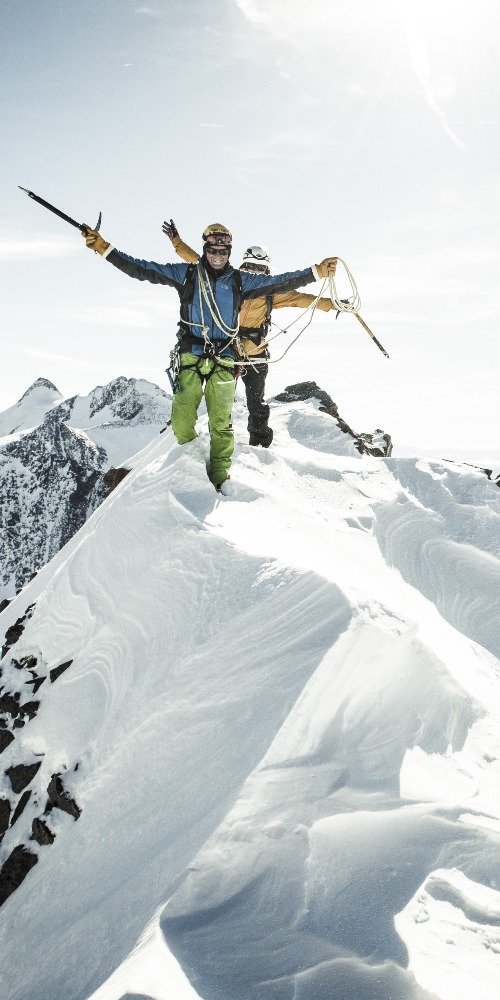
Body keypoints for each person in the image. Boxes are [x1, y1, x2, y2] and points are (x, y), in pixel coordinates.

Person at [82, 221, 337, 488]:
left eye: (223, 251)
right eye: (213, 250)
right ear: (206, 249)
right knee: (181, 421)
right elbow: (141, 268)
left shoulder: (241, 281)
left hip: (226, 356)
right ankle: (193, 457)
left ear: (229, 252)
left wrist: (317, 273)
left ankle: (219, 479)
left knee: (222, 423)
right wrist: (103, 247)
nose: (218, 256)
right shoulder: (188, 274)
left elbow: (282, 284)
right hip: (191, 353)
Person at [163, 221, 336, 447]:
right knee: (219, 401)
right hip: (228, 350)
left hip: (255, 353)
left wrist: (333, 304)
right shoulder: (231, 282)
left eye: (259, 268)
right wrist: (177, 242)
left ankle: (260, 445)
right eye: (249, 266)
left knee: (256, 403)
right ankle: (214, 440)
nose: (253, 271)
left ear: (266, 272)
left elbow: (300, 298)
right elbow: (196, 260)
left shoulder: (269, 293)